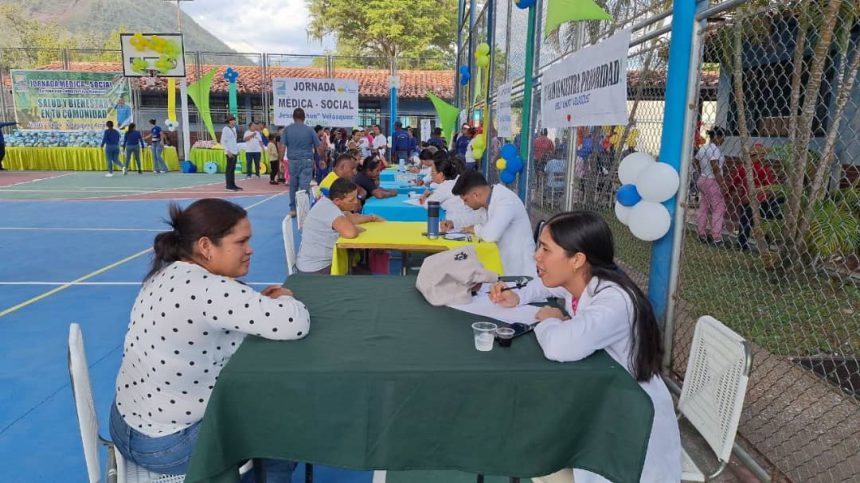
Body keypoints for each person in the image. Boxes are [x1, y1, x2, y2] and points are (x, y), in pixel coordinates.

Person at [109, 198, 310, 479]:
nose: (250, 250)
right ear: (205, 246)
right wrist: (286, 297)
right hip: (168, 444)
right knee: (280, 425)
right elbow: (294, 323)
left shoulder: (166, 273)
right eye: (241, 242)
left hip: (126, 425)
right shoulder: (210, 289)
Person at [488, 211, 681, 483]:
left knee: (535, 455)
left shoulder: (613, 301)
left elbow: (559, 346)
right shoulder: (583, 282)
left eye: (545, 249)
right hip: (602, 404)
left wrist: (549, 320)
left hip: (629, 428)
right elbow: (546, 288)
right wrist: (516, 295)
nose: (536, 256)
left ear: (578, 259)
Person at [444, 171, 536, 277]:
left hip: (519, 274)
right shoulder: (489, 200)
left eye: (465, 200)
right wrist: (453, 223)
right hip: (503, 264)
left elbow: (490, 235)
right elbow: (474, 218)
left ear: (475, 195)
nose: (465, 204)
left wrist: (474, 229)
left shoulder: (505, 201)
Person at [296, 178, 383, 274]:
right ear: (338, 200)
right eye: (351, 200)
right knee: (362, 273)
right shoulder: (330, 210)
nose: (356, 202)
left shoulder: (328, 203)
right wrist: (358, 229)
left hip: (312, 265)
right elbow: (350, 233)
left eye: (356, 197)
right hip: (316, 269)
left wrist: (371, 218)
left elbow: (351, 218)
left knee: (362, 269)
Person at [731, 143, 781, 251]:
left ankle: (742, 244)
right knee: (762, 223)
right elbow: (769, 185)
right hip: (760, 200)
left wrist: (730, 191)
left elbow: (734, 182)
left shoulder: (743, 167)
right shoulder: (763, 169)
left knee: (745, 222)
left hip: (748, 200)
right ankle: (764, 246)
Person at [419, 156, 485, 229]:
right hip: (469, 221)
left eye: (432, 172)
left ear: (441, 174)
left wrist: (424, 197)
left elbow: (429, 205)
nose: (431, 175)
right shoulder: (458, 179)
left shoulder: (445, 186)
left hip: (459, 224)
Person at [281, 108, 320, 217]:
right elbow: (318, 146)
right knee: (304, 186)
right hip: (307, 160)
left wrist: (280, 160)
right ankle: (303, 210)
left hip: (292, 161)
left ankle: (293, 209)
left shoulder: (287, 130)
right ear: (304, 118)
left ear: (293, 117)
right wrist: (320, 159)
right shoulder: (310, 130)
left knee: (293, 185)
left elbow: (282, 146)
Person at [694, 126, 727, 246]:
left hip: (702, 179)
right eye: (723, 137)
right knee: (718, 208)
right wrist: (722, 183)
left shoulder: (703, 148)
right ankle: (716, 237)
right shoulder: (715, 150)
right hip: (713, 181)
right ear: (717, 137)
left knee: (704, 207)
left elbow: (695, 161)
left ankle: (701, 233)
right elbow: (715, 167)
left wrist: (703, 171)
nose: (724, 140)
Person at [221, 115, 242, 191]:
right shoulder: (225, 129)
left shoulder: (233, 129)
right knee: (229, 169)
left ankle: (233, 185)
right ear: (230, 121)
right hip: (229, 152)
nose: (235, 121)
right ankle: (228, 186)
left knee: (232, 169)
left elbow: (234, 141)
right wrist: (227, 151)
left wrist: (237, 150)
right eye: (233, 120)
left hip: (234, 151)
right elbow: (223, 141)